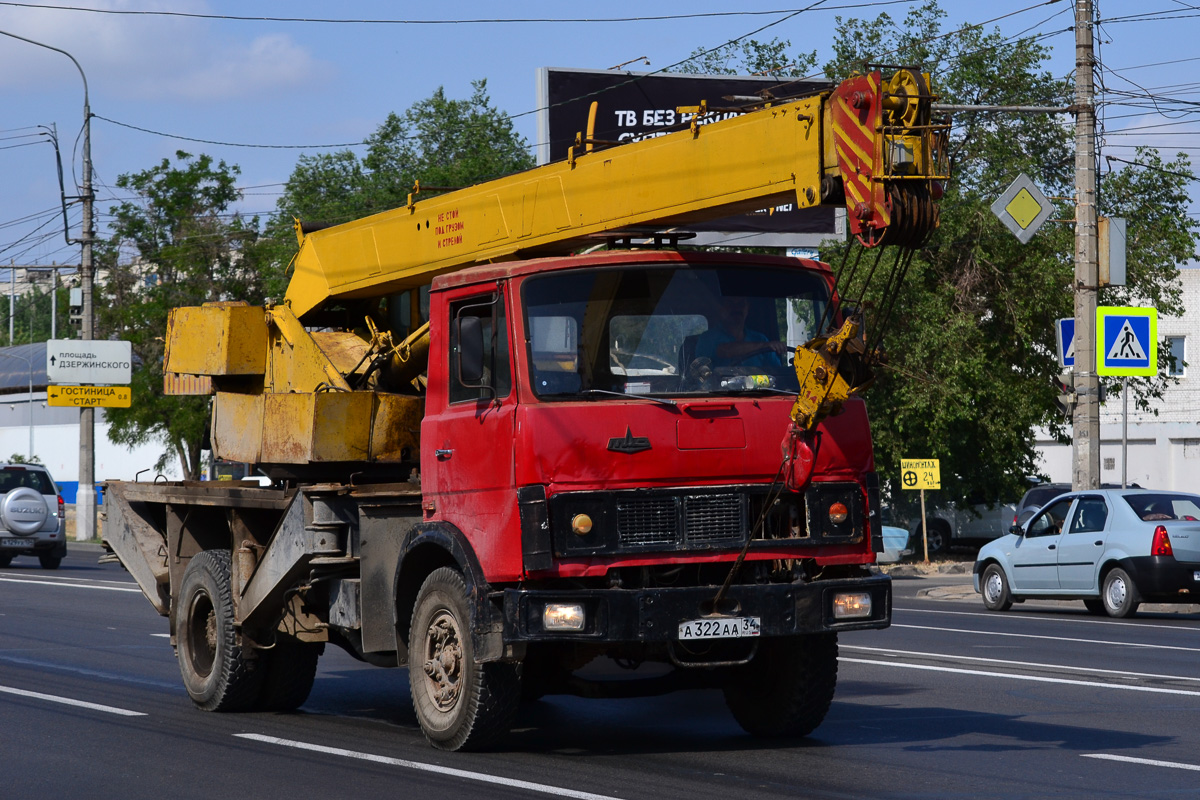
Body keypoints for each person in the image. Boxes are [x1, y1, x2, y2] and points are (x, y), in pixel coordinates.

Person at [694, 296, 788, 368]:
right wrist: (763, 346)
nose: (736, 309)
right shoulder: (707, 339)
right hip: (717, 393)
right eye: (730, 304)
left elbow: (777, 373)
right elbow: (725, 351)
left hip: (761, 392)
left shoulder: (760, 338)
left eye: (741, 304)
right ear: (721, 309)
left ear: (747, 308)